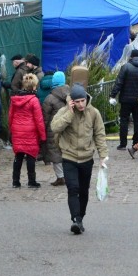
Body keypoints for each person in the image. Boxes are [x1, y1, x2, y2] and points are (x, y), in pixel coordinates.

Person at [51, 83, 108, 234]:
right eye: (77, 101)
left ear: (86, 99)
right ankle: (76, 219)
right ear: (72, 101)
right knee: (73, 188)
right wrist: (69, 113)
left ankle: (81, 216)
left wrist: (103, 156)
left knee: (83, 190)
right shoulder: (64, 111)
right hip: (69, 156)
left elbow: (100, 134)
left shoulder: (94, 113)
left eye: (83, 100)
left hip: (86, 158)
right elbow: (54, 127)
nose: (81, 104)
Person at [9, 73, 46, 188]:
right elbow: (39, 120)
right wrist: (43, 135)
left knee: (18, 155)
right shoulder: (34, 100)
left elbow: (10, 116)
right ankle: (31, 181)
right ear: (35, 86)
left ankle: (16, 181)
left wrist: (11, 129)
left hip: (17, 129)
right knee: (30, 156)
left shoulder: (15, 99)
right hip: (30, 131)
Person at [109, 49, 138, 150]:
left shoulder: (126, 67)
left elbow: (119, 82)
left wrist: (113, 95)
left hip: (126, 99)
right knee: (137, 121)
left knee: (124, 120)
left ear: (131, 56)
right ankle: (135, 142)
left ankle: (123, 143)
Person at [42, 70, 70, 185]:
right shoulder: (72, 94)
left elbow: (45, 117)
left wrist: (42, 128)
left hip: (53, 129)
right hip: (68, 128)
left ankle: (60, 177)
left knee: (55, 152)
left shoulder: (49, 98)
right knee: (68, 151)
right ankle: (70, 174)